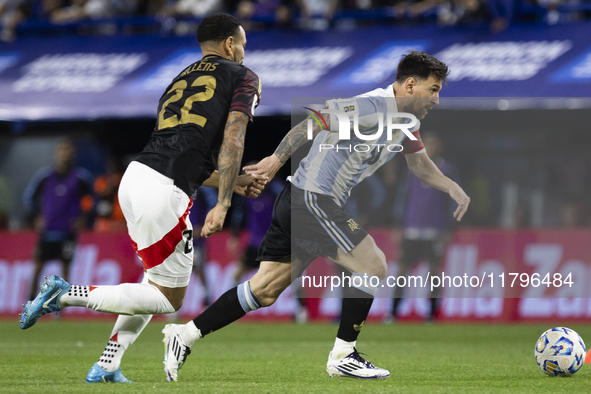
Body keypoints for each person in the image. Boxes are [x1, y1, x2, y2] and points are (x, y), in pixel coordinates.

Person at [161, 51, 471, 381]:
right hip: (313, 199)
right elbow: (314, 122)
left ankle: (185, 334)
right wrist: (275, 160)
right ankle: (344, 354)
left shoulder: (408, 123)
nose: (437, 99)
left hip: (301, 201)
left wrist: (452, 186)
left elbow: (419, 164)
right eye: (433, 89)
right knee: (374, 264)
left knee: (263, 291)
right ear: (410, 85)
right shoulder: (372, 107)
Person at [19, 13, 266, 384]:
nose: (244, 52)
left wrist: (233, 181)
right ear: (231, 44)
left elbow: (185, 156)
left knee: (152, 285)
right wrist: (226, 202)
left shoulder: (179, 78)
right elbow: (234, 138)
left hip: (137, 178)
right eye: (242, 44)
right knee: (170, 299)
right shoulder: (242, 76)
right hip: (163, 192)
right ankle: (65, 294)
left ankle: (107, 364)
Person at [384, 131, 459, 324]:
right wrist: (398, 224)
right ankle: (392, 312)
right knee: (402, 271)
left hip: (435, 230)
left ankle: (431, 315)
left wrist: (449, 228)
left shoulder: (447, 169)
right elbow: (403, 197)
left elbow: (453, 199)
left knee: (434, 273)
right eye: (427, 144)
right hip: (411, 229)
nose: (430, 147)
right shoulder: (412, 168)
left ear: (439, 147)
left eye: (434, 144)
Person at [23, 139, 94, 301]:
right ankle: (29, 302)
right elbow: (29, 198)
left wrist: (83, 218)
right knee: (37, 268)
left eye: (68, 150)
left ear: (73, 154)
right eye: (62, 150)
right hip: (47, 231)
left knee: (66, 271)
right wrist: (36, 217)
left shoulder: (81, 178)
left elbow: (91, 200)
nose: (65, 154)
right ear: (57, 154)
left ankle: (61, 308)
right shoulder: (46, 177)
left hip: (67, 232)